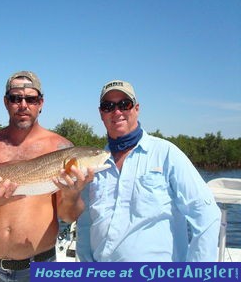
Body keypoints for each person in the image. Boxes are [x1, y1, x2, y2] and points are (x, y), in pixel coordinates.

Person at [0, 71, 91, 281]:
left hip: (41, 266)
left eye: (31, 98)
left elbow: (68, 216)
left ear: (41, 103)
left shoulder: (62, 148)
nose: (23, 105)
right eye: (15, 98)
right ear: (6, 102)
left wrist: (73, 195)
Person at [69, 79, 221, 262]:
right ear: (101, 113)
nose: (117, 111)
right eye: (108, 106)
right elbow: (86, 224)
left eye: (124, 104)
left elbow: (206, 214)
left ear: (136, 108)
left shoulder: (167, 153)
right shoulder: (91, 163)